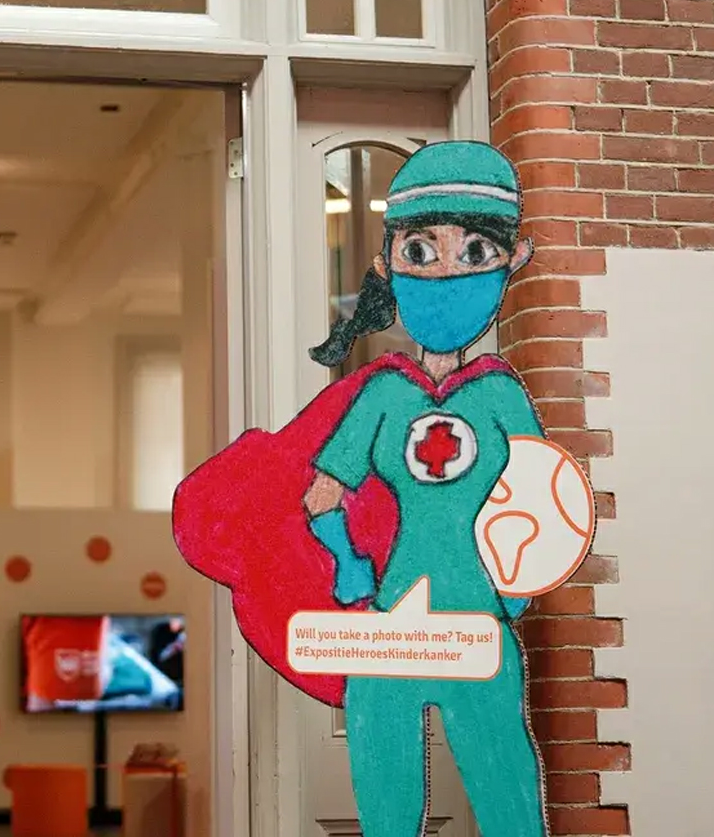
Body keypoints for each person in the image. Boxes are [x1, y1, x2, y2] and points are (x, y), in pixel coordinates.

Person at [173, 141, 554, 837]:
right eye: (421, 251)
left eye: (474, 251)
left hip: (445, 625)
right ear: (387, 265)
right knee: (400, 804)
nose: (446, 271)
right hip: (413, 629)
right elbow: (322, 494)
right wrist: (350, 567)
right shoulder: (391, 393)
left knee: (507, 805)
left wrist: (517, 588)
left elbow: (546, 502)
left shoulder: (489, 395)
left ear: (515, 259)